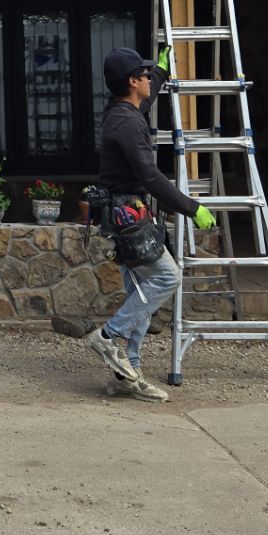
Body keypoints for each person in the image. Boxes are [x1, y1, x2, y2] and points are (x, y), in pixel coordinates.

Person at [82, 45, 217, 402]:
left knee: (140, 295)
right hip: (129, 217)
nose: (148, 81)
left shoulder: (124, 109)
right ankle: (107, 338)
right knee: (167, 277)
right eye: (144, 75)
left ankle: (127, 375)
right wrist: (192, 208)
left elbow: (147, 93)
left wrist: (159, 70)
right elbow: (151, 176)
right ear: (131, 81)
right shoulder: (126, 123)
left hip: (126, 213)